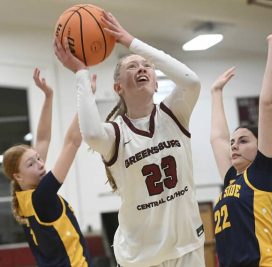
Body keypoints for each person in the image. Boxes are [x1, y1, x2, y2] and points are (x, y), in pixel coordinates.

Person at [54, 11, 206, 267]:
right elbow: (90, 133)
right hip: (141, 257)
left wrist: (130, 41)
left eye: (146, 66)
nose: (141, 68)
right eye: (132, 66)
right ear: (118, 88)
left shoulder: (174, 114)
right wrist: (81, 73)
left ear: (156, 83)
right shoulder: (115, 134)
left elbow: (191, 81)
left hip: (187, 248)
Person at [210, 21, 272, 267]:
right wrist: (216, 93)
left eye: (243, 140)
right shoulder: (230, 180)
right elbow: (217, 138)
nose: (234, 146)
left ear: (260, 148)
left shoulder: (262, 174)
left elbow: (267, 103)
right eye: (233, 142)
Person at [2, 68, 95, 267]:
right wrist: (86, 99)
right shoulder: (42, 196)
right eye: (31, 163)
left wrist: (49, 96)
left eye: (38, 158)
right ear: (18, 176)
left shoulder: (24, 197)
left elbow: (43, 139)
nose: (40, 164)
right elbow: (72, 142)